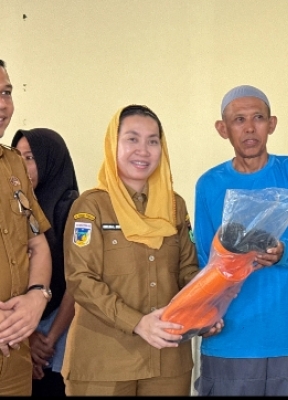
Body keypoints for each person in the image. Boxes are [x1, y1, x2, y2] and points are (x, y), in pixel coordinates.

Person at [62, 104, 220, 396]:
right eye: (132, 139)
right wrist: (137, 323)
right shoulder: (91, 206)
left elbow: (187, 271)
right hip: (105, 362)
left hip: (168, 360)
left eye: (152, 141)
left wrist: (207, 307)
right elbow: (81, 279)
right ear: (113, 144)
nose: (143, 151)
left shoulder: (174, 206)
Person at [193, 85, 288, 396]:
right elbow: (204, 260)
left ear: (272, 124)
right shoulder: (209, 184)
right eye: (239, 120)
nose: (250, 128)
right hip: (229, 338)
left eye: (258, 118)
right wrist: (205, 315)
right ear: (222, 129)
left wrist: (284, 252)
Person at [11, 128, 79, 397]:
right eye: (17, 157)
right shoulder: (14, 208)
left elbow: (78, 281)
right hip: (17, 330)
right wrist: (27, 337)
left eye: (30, 158)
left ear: (51, 160)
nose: (22, 166)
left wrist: (47, 341)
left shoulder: (74, 209)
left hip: (62, 334)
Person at [0, 59, 53, 395]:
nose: (3, 105)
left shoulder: (14, 164)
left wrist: (37, 297)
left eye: (6, 92)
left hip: (14, 356)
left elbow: (37, 243)